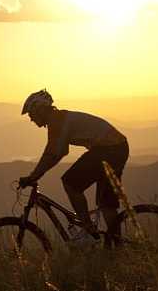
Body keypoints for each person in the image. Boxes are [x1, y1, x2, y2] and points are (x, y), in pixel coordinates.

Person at [17, 89, 129, 245]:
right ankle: (117, 247)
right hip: (117, 147)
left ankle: (87, 230)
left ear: (40, 109)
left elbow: (53, 153)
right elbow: (59, 151)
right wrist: (36, 174)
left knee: (70, 183)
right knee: (106, 203)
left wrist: (33, 176)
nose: (31, 118)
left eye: (31, 114)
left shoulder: (57, 121)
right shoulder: (58, 119)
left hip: (109, 149)